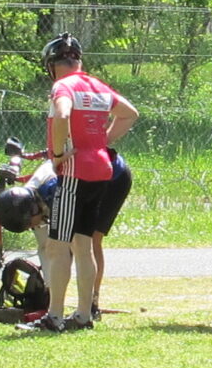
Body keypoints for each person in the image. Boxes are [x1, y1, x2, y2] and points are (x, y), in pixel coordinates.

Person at [29, 33, 136, 332]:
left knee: (57, 246)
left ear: (51, 65)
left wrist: (61, 152)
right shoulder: (96, 85)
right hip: (101, 171)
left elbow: (62, 113)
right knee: (84, 244)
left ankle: (53, 316)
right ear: (79, 60)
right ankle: (84, 314)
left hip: (74, 172)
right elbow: (130, 114)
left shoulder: (62, 87)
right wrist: (101, 142)